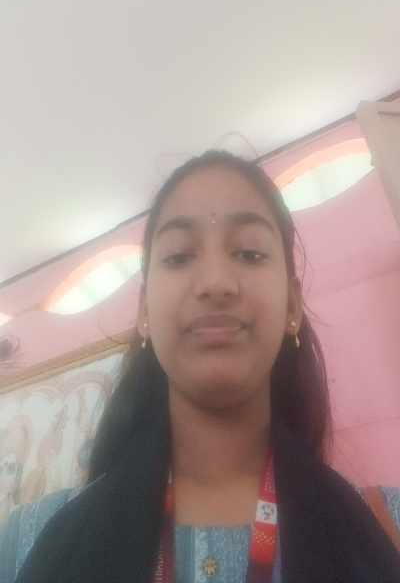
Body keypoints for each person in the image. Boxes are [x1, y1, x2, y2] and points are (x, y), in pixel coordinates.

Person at [1, 150, 400, 582]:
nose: (215, 283)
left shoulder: (389, 527)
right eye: (178, 257)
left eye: (249, 253)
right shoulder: (23, 542)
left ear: (292, 306)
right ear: (144, 311)